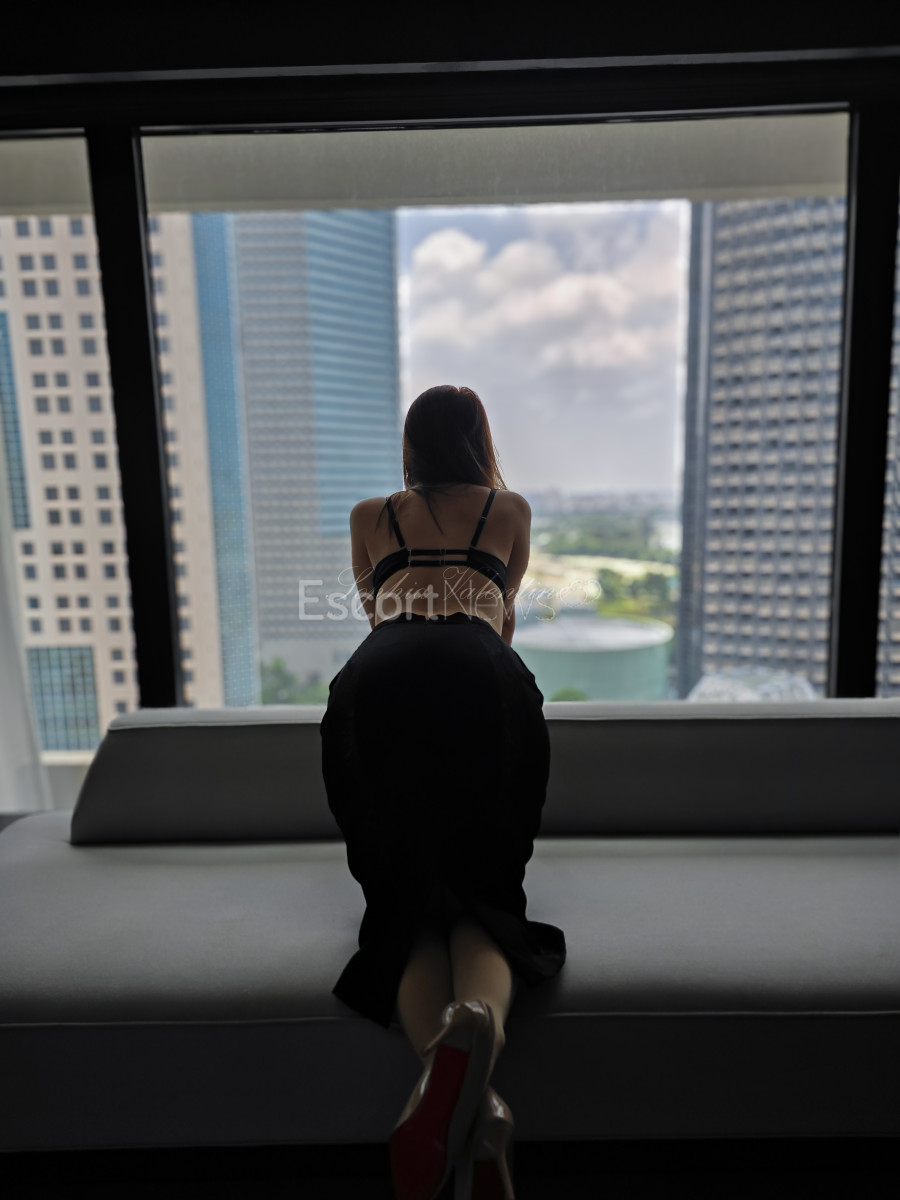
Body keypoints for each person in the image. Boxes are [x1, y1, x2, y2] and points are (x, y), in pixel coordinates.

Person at [319, 385, 566, 1200]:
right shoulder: (509, 509)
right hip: (482, 676)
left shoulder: (369, 515)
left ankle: (470, 1108)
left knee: (403, 905)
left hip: (382, 678)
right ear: (479, 439)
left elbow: (377, 618)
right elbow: (502, 620)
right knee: (485, 897)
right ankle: (480, 1029)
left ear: (411, 444)